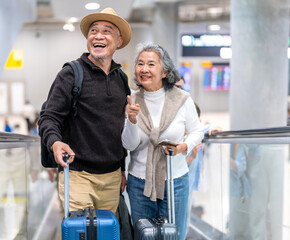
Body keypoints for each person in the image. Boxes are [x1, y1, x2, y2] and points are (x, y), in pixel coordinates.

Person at [39, 7, 132, 215]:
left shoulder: (121, 79)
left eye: (107, 31)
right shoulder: (70, 74)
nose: (98, 36)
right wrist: (55, 142)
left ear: (118, 41)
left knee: (107, 234)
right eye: (93, 31)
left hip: (112, 177)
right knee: (79, 233)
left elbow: (120, 129)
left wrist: (122, 169)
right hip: (77, 175)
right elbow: (48, 117)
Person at [122, 43, 203, 240]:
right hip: (139, 183)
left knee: (174, 235)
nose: (144, 69)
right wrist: (131, 121)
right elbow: (129, 145)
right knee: (144, 235)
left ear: (165, 71)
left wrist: (184, 147)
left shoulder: (182, 99)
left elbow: (197, 130)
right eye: (140, 64)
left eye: (151, 64)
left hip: (175, 181)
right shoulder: (132, 100)